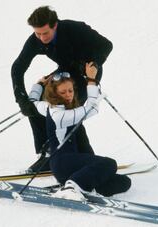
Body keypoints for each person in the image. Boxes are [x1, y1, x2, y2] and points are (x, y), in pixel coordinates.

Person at [11, 5, 113, 171]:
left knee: (68, 111)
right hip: (66, 71)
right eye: (38, 33)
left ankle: (86, 157)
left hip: (87, 73)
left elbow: (106, 45)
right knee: (36, 105)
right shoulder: (35, 39)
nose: (41, 37)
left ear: (55, 25)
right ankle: (47, 155)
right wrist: (21, 99)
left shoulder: (75, 29)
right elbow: (17, 67)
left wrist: (94, 63)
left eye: (45, 33)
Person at [27, 62, 131, 200]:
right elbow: (92, 109)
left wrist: (39, 84)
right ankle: (72, 187)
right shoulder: (59, 115)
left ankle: (84, 186)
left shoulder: (47, 106)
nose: (68, 95)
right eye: (63, 92)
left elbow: (32, 101)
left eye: (70, 90)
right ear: (54, 93)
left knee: (124, 182)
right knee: (109, 164)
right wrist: (92, 80)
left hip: (73, 163)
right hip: (63, 163)